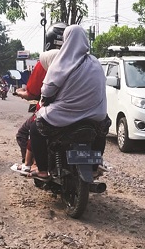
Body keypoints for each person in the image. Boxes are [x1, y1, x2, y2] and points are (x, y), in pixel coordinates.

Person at [28, 25, 110, 179]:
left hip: (64, 116)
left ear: (66, 40)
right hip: (95, 115)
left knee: (35, 128)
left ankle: (43, 170)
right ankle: (94, 166)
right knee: (101, 131)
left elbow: (47, 90)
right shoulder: (95, 62)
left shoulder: (62, 61)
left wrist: (46, 99)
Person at [11, 22, 66, 174]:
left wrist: (20, 93)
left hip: (53, 112)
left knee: (27, 131)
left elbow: (33, 93)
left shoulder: (46, 62)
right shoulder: (84, 62)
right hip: (83, 111)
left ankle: (33, 164)